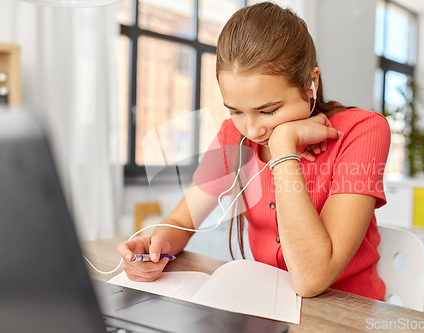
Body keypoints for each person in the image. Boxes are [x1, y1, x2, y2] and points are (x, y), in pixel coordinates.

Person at [117, 1, 391, 300]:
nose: (252, 129)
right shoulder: (232, 136)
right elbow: (183, 221)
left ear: (311, 83)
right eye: (235, 111)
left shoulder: (363, 131)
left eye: (269, 111)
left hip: (347, 316)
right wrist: (156, 246)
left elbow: (311, 278)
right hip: (265, 304)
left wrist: (283, 148)